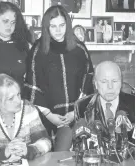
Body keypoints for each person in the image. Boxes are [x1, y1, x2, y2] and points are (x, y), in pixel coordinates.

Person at [24, 5, 94, 151]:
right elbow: (33, 86)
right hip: (45, 117)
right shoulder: (37, 51)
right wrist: (50, 116)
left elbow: (88, 83)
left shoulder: (79, 49)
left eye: (62, 25)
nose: (58, 30)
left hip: (76, 115)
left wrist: (75, 112)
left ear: (67, 25)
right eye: (53, 26)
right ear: (46, 27)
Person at [77, 61, 135, 150]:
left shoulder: (133, 103)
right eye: (104, 82)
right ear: (96, 84)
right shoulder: (82, 106)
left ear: (121, 83)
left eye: (115, 81)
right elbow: (80, 143)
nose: (110, 86)